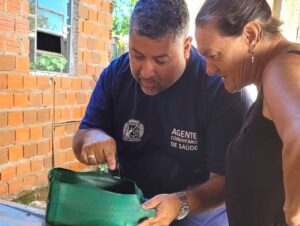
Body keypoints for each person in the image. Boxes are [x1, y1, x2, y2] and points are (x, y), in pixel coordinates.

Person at [73, 0, 251, 225]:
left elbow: (226, 181)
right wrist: (93, 137)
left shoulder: (220, 87)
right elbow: (81, 137)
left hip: (197, 209)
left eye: (160, 60)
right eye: (137, 55)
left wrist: (180, 203)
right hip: (131, 206)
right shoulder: (116, 76)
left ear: (186, 47)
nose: (146, 72)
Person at [195, 0, 300, 226]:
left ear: (250, 35)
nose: (209, 69)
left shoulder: (282, 69)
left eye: (213, 55)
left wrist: (294, 215)